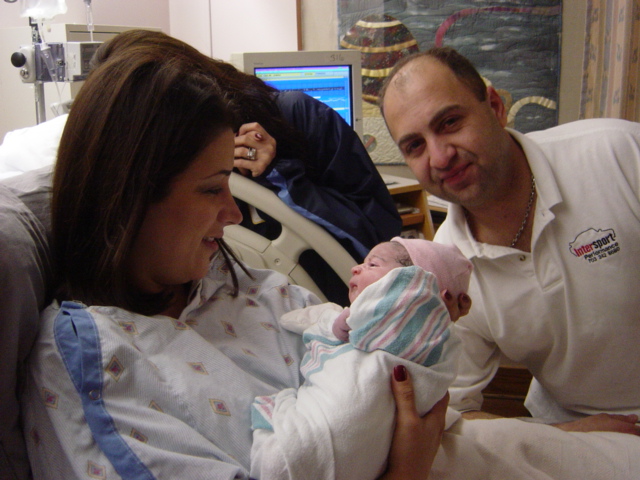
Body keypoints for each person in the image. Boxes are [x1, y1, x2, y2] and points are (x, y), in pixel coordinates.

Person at [19, 32, 445, 480]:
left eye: (228, 183)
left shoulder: (233, 283)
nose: (234, 213)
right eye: (210, 189)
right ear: (127, 196)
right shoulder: (95, 364)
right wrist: (406, 471)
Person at [379, 47, 640, 433]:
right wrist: (568, 436)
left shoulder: (619, 154)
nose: (440, 157)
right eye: (415, 146)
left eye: (450, 122)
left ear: (496, 107)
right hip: (582, 428)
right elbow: (455, 412)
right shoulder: (448, 270)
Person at [250, 237, 472, 480]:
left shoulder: (405, 313)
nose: (356, 268)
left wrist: (332, 327)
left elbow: (310, 324)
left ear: (414, 284)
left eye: (373, 265)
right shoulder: (438, 343)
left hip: (308, 445)